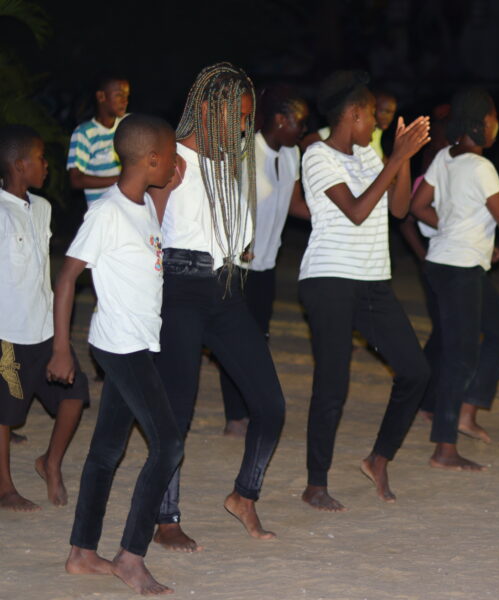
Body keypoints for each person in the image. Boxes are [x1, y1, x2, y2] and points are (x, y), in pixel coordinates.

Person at [148, 62, 286, 551]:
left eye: (249, 118)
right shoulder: (171, 159)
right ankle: (165, 518)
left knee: (270, 405)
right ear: (208, 109)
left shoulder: (229, 163)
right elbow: (148, 232)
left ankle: (244, 495)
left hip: (226, 288)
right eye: (239, 116)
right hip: (181, 288)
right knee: (177, 410)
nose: (245, 127)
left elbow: (239, 238)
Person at [53, 114, 183, 596]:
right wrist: (61, 348)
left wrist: (166, 192)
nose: (175, 164)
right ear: (151, 159)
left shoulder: (142, 202)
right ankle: (131, 557)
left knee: (107, 449)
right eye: (170, 158)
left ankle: (82, 553)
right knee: (168, 444)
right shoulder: (106, 212)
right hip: (120, 345)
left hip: (137, 341)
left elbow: (147, 251)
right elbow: (67, 277)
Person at [298, 70, 430, 510]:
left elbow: (399, 208)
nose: (376, 122)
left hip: (373, 280)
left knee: (415, 371)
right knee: (333, 385)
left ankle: (379, 458)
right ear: (352, 113)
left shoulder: (370, 153)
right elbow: (355, 211)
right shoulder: (317, 156)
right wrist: (396, 157)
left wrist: (402, 158)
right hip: (329, 279)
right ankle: (316, 484)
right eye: (371, 114)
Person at [411, 88, 499, 470]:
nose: (497, 124)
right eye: (493, 118)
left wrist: (456, 230)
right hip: (459, 267)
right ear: (480, 123)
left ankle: (467, 413)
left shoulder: (445, 156)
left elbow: (418, 205)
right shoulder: (481, 167)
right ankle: (444, 448)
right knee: (460, 356)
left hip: (447, 262)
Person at [0, 125, 89, 511]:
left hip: (44, 326)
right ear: (19, 165)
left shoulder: (42, 208)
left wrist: (59, 335)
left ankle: (49, 462)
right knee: (5, 413)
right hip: (8, 332)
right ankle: (4, 488)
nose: (46, 165)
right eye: (40, 158)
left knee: (75, 393)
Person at [218, 84, 310, 438]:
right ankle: (235, 416)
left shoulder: (292, 154)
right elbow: (223, 204)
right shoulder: (244, 152)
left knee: (258, 339)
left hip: (267, 264)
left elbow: (294, 203)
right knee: (234, 340)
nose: (303, 129)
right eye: (299, 122)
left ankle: (250, 408)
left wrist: (336, 215)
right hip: (235, 265)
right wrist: (236, 242)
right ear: (280, 120)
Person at [67, 76, 131, 204]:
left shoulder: (129, 124)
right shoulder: (84, 133)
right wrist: (122, 179)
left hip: (130, 206)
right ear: (101, 96)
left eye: (127, 95)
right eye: (119, 95)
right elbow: (76, 180)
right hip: (103, 211)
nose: (125, 101)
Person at [301, 90, 397, 161]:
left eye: (392, 112)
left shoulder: (378, 132)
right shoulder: (351, 132)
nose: (388, 117)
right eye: (384, 111)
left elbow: (379, 157)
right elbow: (307, 142)